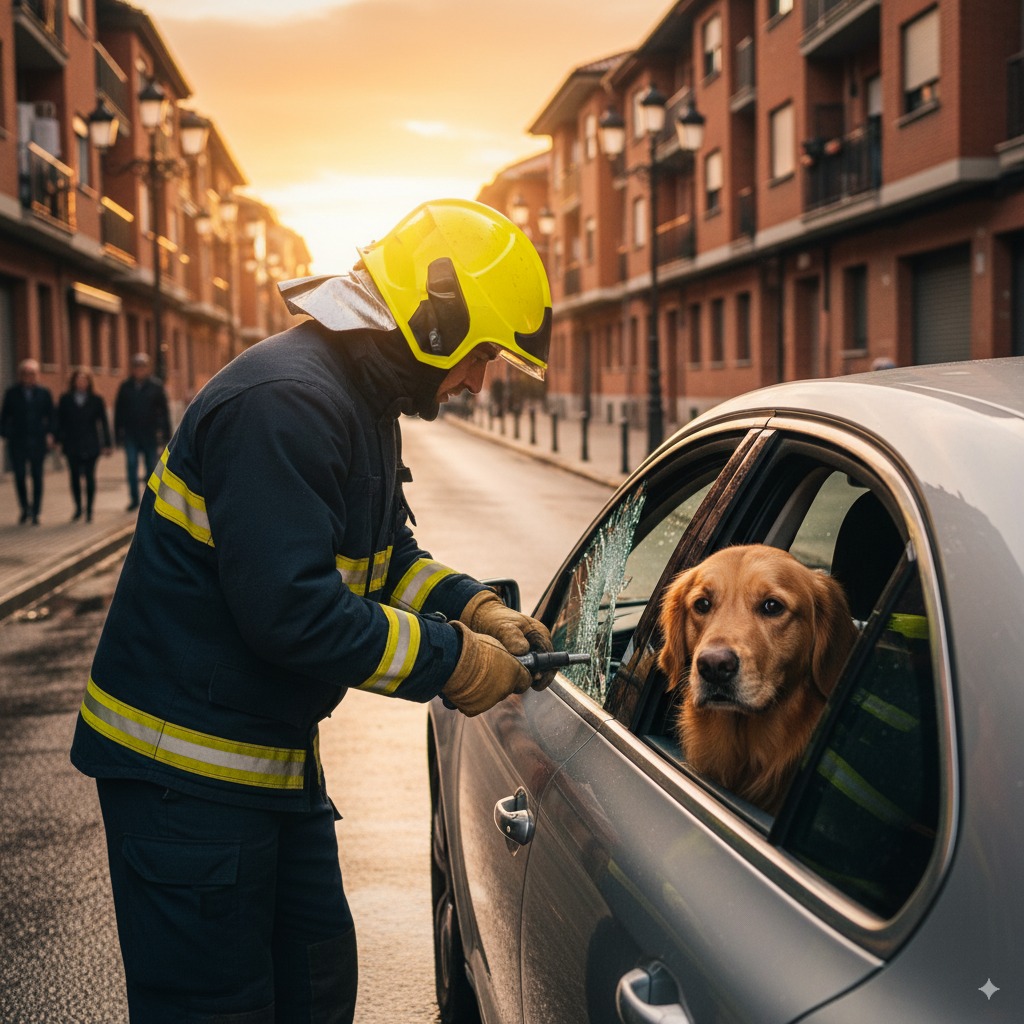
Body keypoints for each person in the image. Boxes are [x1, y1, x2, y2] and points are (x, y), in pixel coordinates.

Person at [70, 197, 556, 1023]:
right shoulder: (287, 403)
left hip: (264, 771)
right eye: (481, 354)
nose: (479, 380)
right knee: (218, 1010)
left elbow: (380, 560)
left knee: (317, 987)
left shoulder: (358, 402)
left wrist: (472, 606)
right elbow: (293, 610)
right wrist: (454, 660)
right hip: (185, 787)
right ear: (433, 323)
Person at [0, 357, 55, 525]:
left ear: (37, 375)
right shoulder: (12, 393)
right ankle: (25, 509)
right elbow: (4, 417)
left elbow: (52, 416)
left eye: (31, 373)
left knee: (37, 476)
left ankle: (36, 511)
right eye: (25, 374)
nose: (28, 377)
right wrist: (7, 434)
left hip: (37, 441)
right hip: (18, 442)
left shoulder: (44, 393)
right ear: (20, 375)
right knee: (20, 476)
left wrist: (51, 434)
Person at [114, 351, 170, 511]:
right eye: (137, 367)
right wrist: (117, 434)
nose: (140, 370)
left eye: (143, 367)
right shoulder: (125, 387)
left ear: (147, 368)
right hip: (131, 434)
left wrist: (166, 433)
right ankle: (133, 499)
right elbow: (119, 411)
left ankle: (151, 500)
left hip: (150, 434)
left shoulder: (156, 386)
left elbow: (164, 411)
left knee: (151, 468)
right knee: (131, 465)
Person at [55, 367, 112, 522]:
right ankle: (78, 507)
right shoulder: (66, 399)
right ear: (73, 382)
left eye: (84, 380)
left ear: (89, 382)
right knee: (74, 477)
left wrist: (107, 443)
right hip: (71, 444)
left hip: (91, 444)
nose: (81, 383)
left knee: (89, 476)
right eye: (78, 380)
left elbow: (103, 423)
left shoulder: (96, 399)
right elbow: (59, 422)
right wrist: (58, 440)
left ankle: (89, 510)